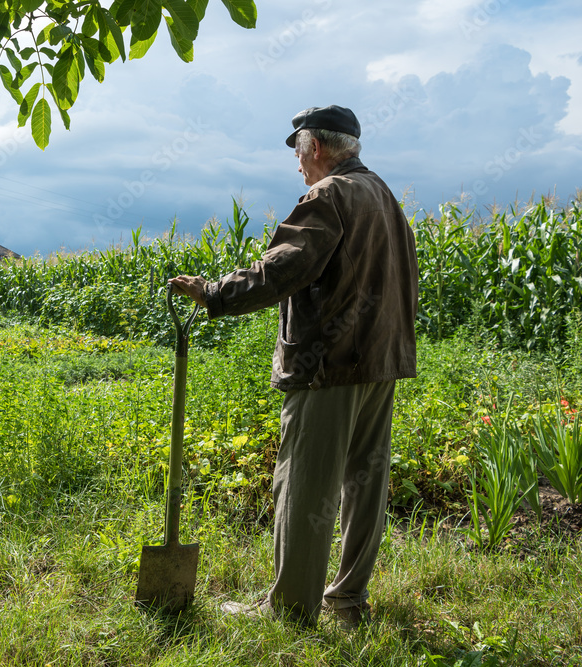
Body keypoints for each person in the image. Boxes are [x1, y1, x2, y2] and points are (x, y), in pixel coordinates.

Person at [169, 104, 418, 629]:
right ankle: (347, 601)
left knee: (304, 486)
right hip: (380, 363)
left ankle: (291, 609)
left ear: (318, 148)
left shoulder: (329, 195)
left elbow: (283, 267)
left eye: (298, 150)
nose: (297, 164)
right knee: (362, 485)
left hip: (328, 366)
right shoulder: (383, 195)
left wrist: (214, 294)